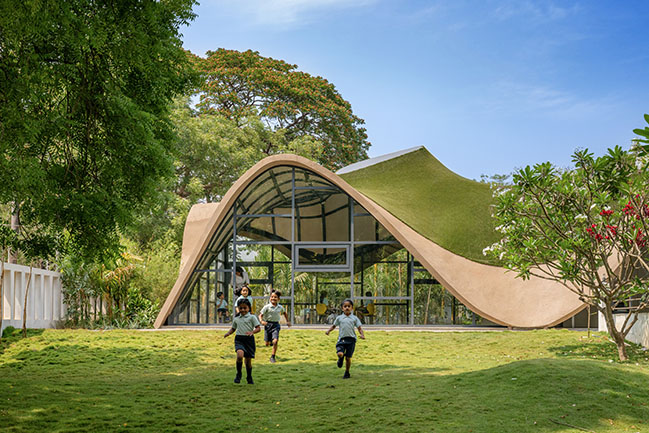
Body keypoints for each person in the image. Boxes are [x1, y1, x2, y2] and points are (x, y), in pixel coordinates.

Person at [325, 299, 365, 379]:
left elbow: (359, 328)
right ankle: (340, 358)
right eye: (345, 306)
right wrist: (328, 331)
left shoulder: (354, 318)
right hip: (342, 339)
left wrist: (362, 335)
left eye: (349, 306)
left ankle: (347, 372)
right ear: (342, 308)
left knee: (348, 358)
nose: (347, 308)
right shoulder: (339, 318)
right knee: (340, 353)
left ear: (352, 308)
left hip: (351, 340)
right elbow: (334, 326)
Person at [223, 299, 260, 384]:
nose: (243, 310)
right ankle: (238, 374)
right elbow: (233, 328)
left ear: (249, 308)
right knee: (239, 356)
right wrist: (228, 333)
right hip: (239, 339)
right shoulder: (236, 319)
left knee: (248, 362)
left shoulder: (252, 317)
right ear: (238, 309)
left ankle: (249, 377)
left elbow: (258, 328)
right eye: (241, 308)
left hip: (249, 340)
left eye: (245, 308)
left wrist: (252, 332)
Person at [258, 290, 291, 363]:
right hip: (268, 325)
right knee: (267, 343)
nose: (273, 298)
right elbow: (260, 315)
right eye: (272, 297)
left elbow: (285, 313)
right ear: (270, 298)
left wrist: (287, 321)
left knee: (275, 341)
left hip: (276, 325)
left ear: (278, 299)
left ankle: (273, 356)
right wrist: (261, 321)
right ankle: (269, 342)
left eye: (275, 297)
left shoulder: (280, 307)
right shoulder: (267, 307)